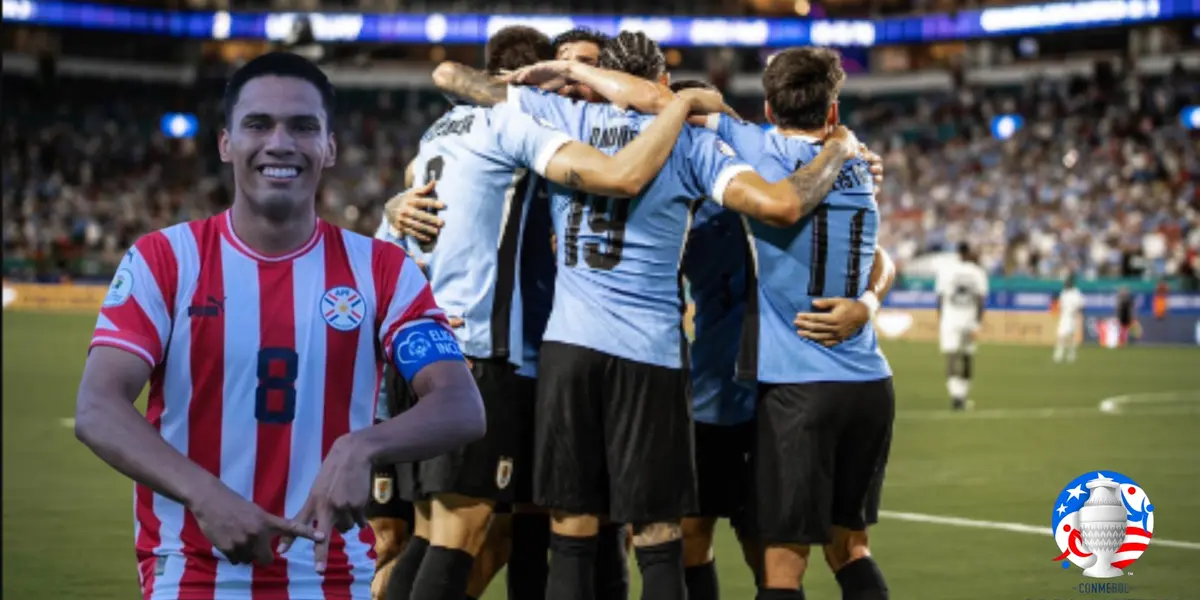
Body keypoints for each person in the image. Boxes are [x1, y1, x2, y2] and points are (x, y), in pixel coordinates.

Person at [436, 30, 865, 600]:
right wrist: (839, 150)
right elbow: (779, 204)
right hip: (651, 354)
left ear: (604, 79)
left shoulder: (563, 116)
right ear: (662, 83)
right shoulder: (690, 143)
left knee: (570, 529)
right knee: (658, 532)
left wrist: (555, 74)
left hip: (569, 347)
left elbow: (454, 79)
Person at [72, 51, 485, 600]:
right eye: (259, 124)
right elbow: (98, 406)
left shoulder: (382, 270)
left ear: (329, 147)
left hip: (335, 576)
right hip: (193, 572)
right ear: (226, 143)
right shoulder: (165, 260)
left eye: (303, 127)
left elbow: (461, 405)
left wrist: (363, 446)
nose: (280, 143)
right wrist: (206, 496)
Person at [383, 26, 724, 600]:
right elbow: (624, 171)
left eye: (589, 70)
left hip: (512, 353)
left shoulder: (463, 136)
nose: (579, 86)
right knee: (479, 531)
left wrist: (397, 201)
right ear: (533, 79)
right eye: (565, 72)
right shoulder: (534, 134)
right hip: (495, 353)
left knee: (487, 529)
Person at [673, 78, 897, 600]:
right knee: (691, 536)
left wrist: (869, 302)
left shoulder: (780, 178)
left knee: (771, 553)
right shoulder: (683, 199)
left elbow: (876, 255)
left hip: (779, 397)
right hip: (712, 399)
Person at [935, 241, 989, 411]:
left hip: (950, 319)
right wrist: (978, 322)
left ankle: (955, 395)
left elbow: (940, 298)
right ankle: (963, 396)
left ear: (957, 252)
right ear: (969, 252)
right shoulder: (978, 272)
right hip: (968, 320)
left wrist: (941, 318)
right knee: (967, 357)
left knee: (951, 356)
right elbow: (981, 299)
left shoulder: (946, 271)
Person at [1053, 274, 1084, 363]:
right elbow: (1061, 304)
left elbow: (1081, 303)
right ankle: (1058, 355)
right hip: (1064, 316)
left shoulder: (1076, 292)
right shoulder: (1064, 293)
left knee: (1071, 336)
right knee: (1061, 335)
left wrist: (1075, 310)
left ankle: (1071, 355)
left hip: (1072, 316)